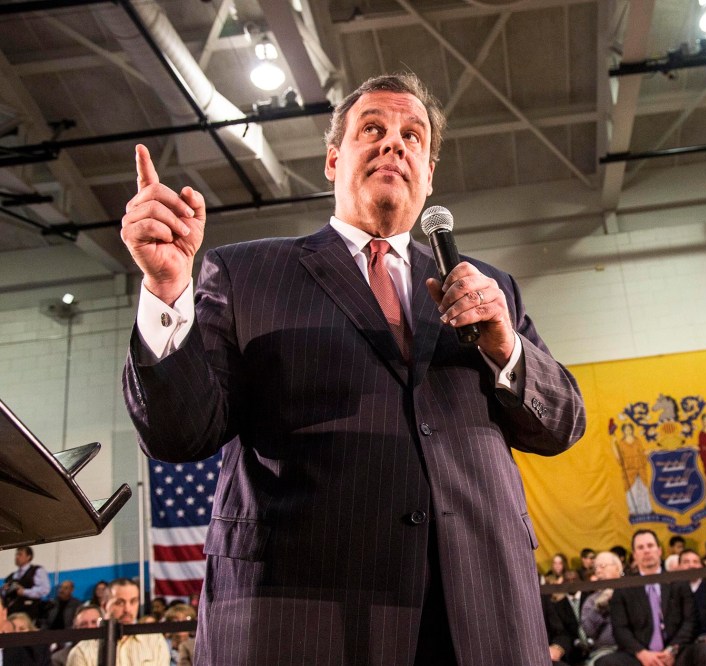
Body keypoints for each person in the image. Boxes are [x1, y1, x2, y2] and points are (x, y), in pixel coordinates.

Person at [119, 72, 586, 666]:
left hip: (479, 613)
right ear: (334, 159)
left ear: (429, 174)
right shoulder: (245, 274)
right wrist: (166, 288)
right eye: (374, 129)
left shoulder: (489, 290)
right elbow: (179, 433)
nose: (395, 144)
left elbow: (563, 424)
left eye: (413, 136)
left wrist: (504, 346)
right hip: (300, 617)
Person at [601, 530, 706, 666]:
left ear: (659, 551)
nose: (646, 551)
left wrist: (672, 650)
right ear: (635, 555)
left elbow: (689, 621)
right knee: (605, 662)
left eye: (650, 546)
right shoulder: (624, 587)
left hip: (676, 652)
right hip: (641, 656)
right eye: (641, 547)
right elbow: (620, 629)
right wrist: (643, 654)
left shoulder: (678, 582)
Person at [66, 579, 169, 666]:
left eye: (133, 601)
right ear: (104, 605)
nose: (127, 609)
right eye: (119, 603)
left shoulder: (155, 641)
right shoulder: (81, 652)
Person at [581, 552, 625, 665]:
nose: (598, 571)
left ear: (618, 568)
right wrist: (598, 608)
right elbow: (589, 631)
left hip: (633, 649)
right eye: (596, 568)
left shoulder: (631, 591)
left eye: (603, 566)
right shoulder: (591, 600)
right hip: (604, 651)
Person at [544, 569, 590, 665]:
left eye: (574, 579)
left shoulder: (590, 599)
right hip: (571, 649)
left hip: (594, 643)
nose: (571, 583)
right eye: (567, 580)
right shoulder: (557, 605)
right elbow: (560, 631)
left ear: (580, 581)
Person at [2, 547, 50, 621]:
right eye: (16, 554)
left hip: (30, 614)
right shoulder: (11, 576)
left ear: (28, 557)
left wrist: (24, 592)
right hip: (11, 614)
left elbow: (45, 589)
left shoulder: (37, 570)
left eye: (20, 554)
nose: (17, 557)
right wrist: (4, 590)